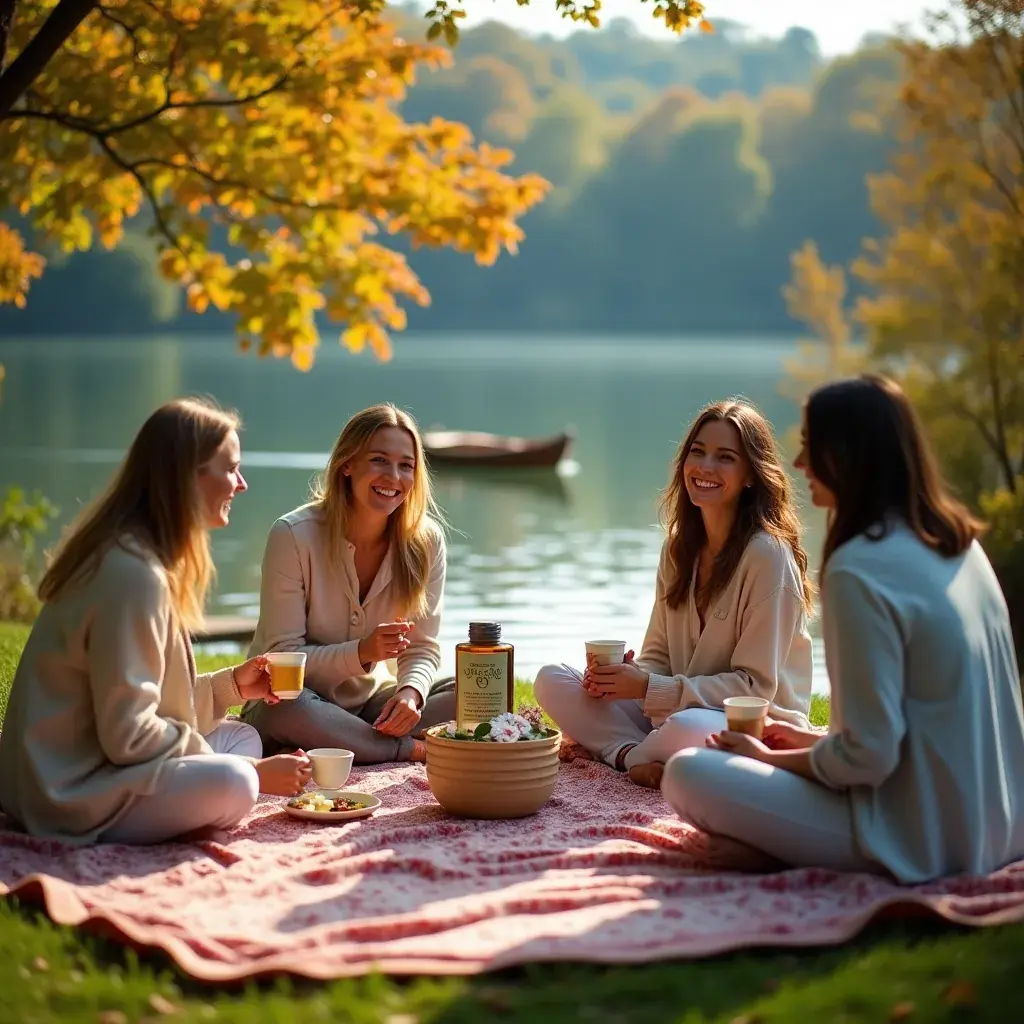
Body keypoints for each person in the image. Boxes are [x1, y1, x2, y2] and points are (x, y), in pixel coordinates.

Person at [663, 375, 1024, 882]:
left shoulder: (860, 567)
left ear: (851, 454)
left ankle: (780, 851)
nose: (799, 464)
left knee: (687, 773)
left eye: (812, 447)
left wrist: (767, 757)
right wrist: (805, 743)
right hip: (1002, 824)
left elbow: (866, 760)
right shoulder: (958, 544)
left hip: (922, 840)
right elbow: (906, 735)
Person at [0, 398, 311, 847]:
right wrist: (254, 776)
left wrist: (232, 688)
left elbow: (146, 700)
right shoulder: (131, 576)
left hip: (82, 762)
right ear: (187, 475)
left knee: (241, 736)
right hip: (65, 792)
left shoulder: (135, 558)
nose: (241, 485)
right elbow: (128, 735)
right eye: (231, 469)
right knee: (236, 783)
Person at [534, 398, 814, 788]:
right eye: (697, 452)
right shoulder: (678, 548)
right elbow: (659, 655)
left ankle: (628, 752)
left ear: (751, 474)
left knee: (686, 726)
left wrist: (649, 688)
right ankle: (634, 756)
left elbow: (754, 689)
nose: (705, 467)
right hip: (670, 711)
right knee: (551, 679)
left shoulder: (767, 555)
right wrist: (627, 677)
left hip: (750, 724)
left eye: (725, 457)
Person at [241, 403, 454, 763]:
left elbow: (422, 647)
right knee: (282, 709)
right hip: (295, 702)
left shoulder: (426, 541)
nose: (393, 477)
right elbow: (280, 661)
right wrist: (361, 653)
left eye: (406, 465)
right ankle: (408, 749)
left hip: (373, 708)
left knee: (482, 688)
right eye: (378, 460)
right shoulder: (292, 535)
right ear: (347, 465)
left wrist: (410, 693)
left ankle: (357, 742)